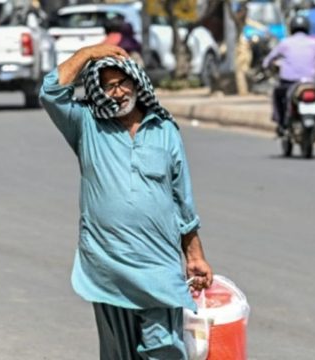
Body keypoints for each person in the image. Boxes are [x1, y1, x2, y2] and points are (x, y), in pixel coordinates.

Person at [39, 43, 213, 359]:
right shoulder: (86, 124)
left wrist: (194, 254)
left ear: (136, 82)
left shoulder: (164, 129)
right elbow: (51, 92)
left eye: (122, 83)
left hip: (158, 264)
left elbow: (182, 197)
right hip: (109, 265)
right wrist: (89, 53)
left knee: (165, 349)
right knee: (119, 354)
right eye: (108, 86)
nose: (117, 93)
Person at [262, 16, 315, 135]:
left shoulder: (285, 43)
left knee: (277, 94)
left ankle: (281, 123)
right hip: (310, 82)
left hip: (289, 82)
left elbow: (268, 60)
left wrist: (267, 66)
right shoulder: (314, 43)